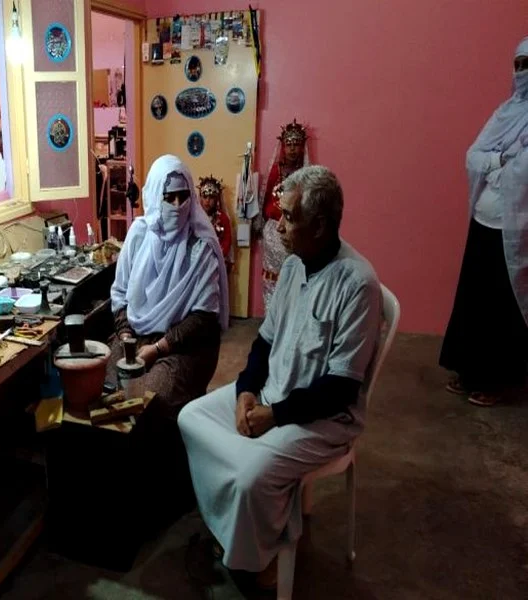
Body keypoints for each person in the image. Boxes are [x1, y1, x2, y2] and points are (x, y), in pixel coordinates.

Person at [178, 166, 383, 591]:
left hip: (323, 419)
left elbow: (340, 388)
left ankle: (253, 564)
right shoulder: (294, 265)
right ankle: (236, 531)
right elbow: (264, 344)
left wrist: (275, 416)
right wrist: (246, 392)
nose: (280, 223)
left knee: (252, 475)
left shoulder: (358, 285)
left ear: (320, 224)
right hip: (272, 395)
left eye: (289, 216)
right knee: (190, 418)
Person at [108, 154, 230, 531]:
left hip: (186, 347)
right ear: (152, 196)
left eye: (183, 197)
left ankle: (164, 496)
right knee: (102, 384)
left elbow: (204, 319)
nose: (177, 206)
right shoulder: (140, 236)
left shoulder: (201, 246)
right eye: (169, 197)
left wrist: (157, 349)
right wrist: (127, 336)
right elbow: (121, 294)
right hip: (140, 334)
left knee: (148, 402)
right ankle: (115, 487)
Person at [440, 36, 528, 407]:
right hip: (484, 218)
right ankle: (467, 370)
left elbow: (524, 173)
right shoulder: (506, 111)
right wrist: (499, 162)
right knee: (475, 300)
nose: (522, 74)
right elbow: (473, 154)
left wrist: (500, 163)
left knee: (502, 304)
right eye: (519, 66)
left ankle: (495, 381)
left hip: (515, 227)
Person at [256, 119, 310, 312]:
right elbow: (265, 199)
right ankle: (272, 315)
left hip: (294, 232)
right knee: (271, 277)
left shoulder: (306, 174)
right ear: (283, 146)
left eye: (296, 144)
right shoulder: (276, 171)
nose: (293, 149)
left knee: (294, 275)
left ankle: (290, 315)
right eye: (289, 144)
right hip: (273, 233)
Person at [198, 175, 233, 270]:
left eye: (211, 197)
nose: (207, 201)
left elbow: (227, 240)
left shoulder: (222, 218)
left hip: (217, 262)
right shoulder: (196, 217)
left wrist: (216, 255)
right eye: (204, 197)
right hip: (197, 262)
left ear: (216, 199)